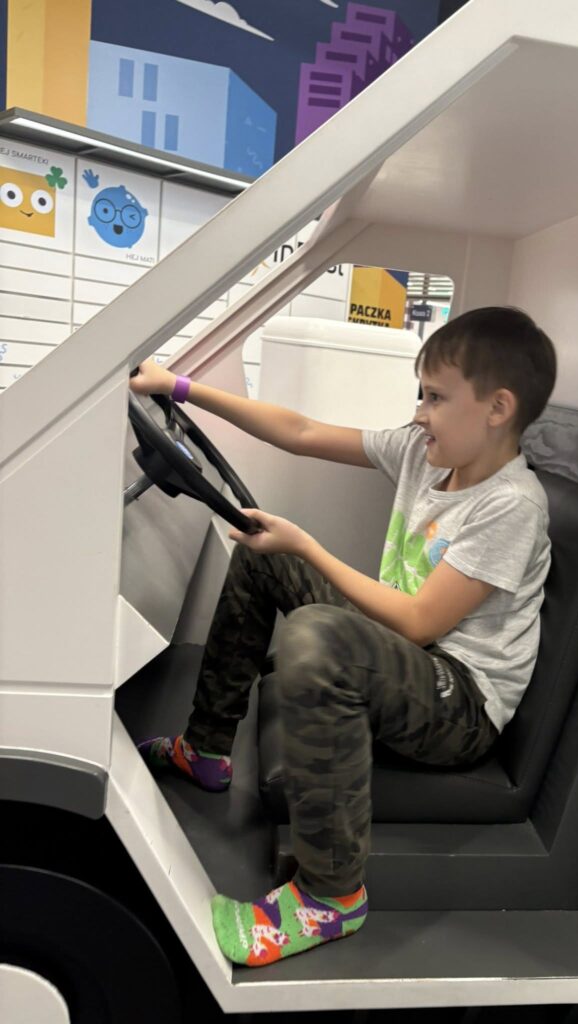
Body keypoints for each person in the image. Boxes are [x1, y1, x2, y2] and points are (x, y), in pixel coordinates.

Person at [129, 306, 556, 967]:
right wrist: (180, 388)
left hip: (460, 705)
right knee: (264, 558)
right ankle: (207, 749)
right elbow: (300, 432)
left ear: (497, 408)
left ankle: (331, 895)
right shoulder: (422, 453)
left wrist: (308, 545)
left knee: (315, 633)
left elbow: (421, 622)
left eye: (436, 398)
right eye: (421, 395)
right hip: (407, 660)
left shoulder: (512, 505)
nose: (419, 413)